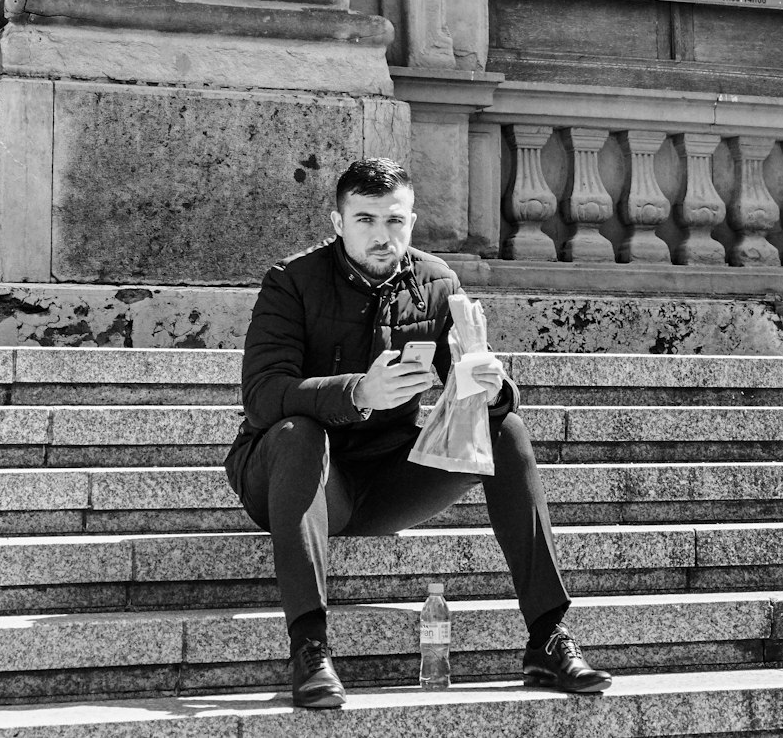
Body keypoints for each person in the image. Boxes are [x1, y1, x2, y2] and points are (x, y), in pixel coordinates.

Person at [225, 157, 611, 708]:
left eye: (395, 221)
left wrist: (491, 386)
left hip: (386, 482)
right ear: (338, 223)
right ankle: (310, 649)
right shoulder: (291, 281)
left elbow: (479, 392)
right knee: (296, 431)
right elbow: (262, 396)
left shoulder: (438, 282)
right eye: (365, 220)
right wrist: (357, 392)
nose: (383, 237)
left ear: (412, 220)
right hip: (287, 477)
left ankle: (547, 638)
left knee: (507, 432)